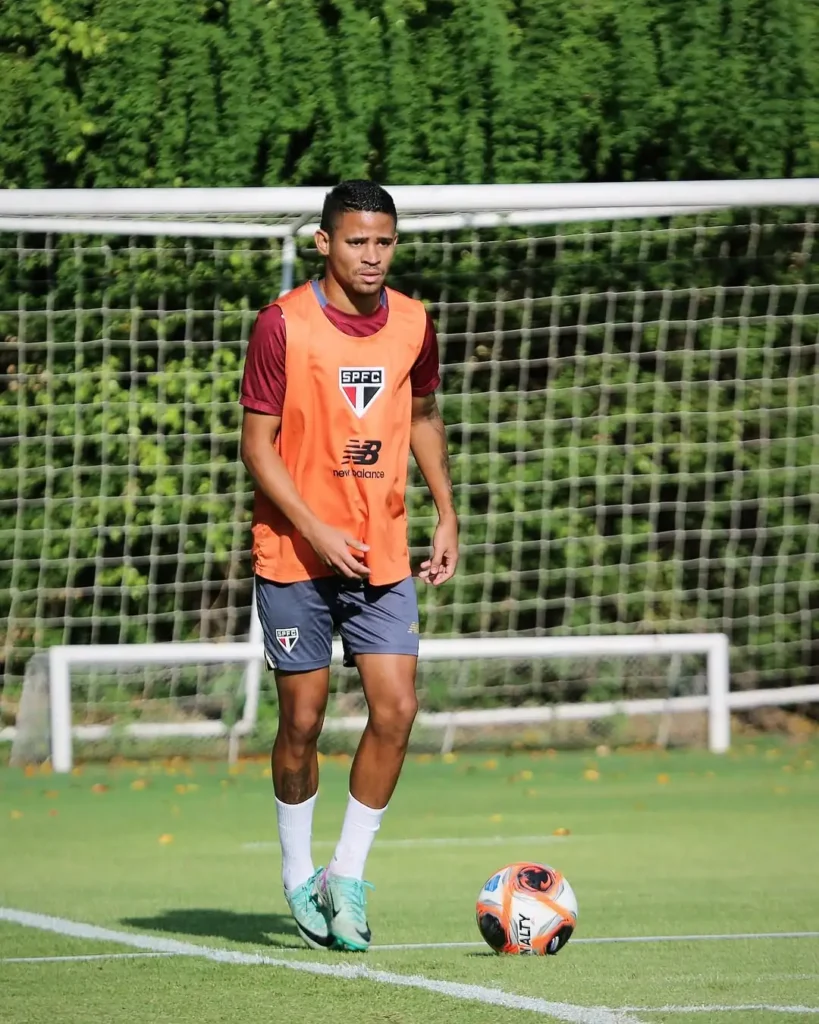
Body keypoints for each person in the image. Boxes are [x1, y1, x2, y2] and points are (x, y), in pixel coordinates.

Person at [239, 180, 458, 952]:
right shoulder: (282, 325)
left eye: (384, 242)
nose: (372, 255)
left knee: (396, 710)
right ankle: (297, 871)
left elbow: (423, 416)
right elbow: (256, 447)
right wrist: (314, 528)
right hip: (294, 555)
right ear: (324, 242)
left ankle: (348, 877)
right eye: (357, 241)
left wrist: (446, 511)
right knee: (301, 721)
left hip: (383, 554)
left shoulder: (413, 323)